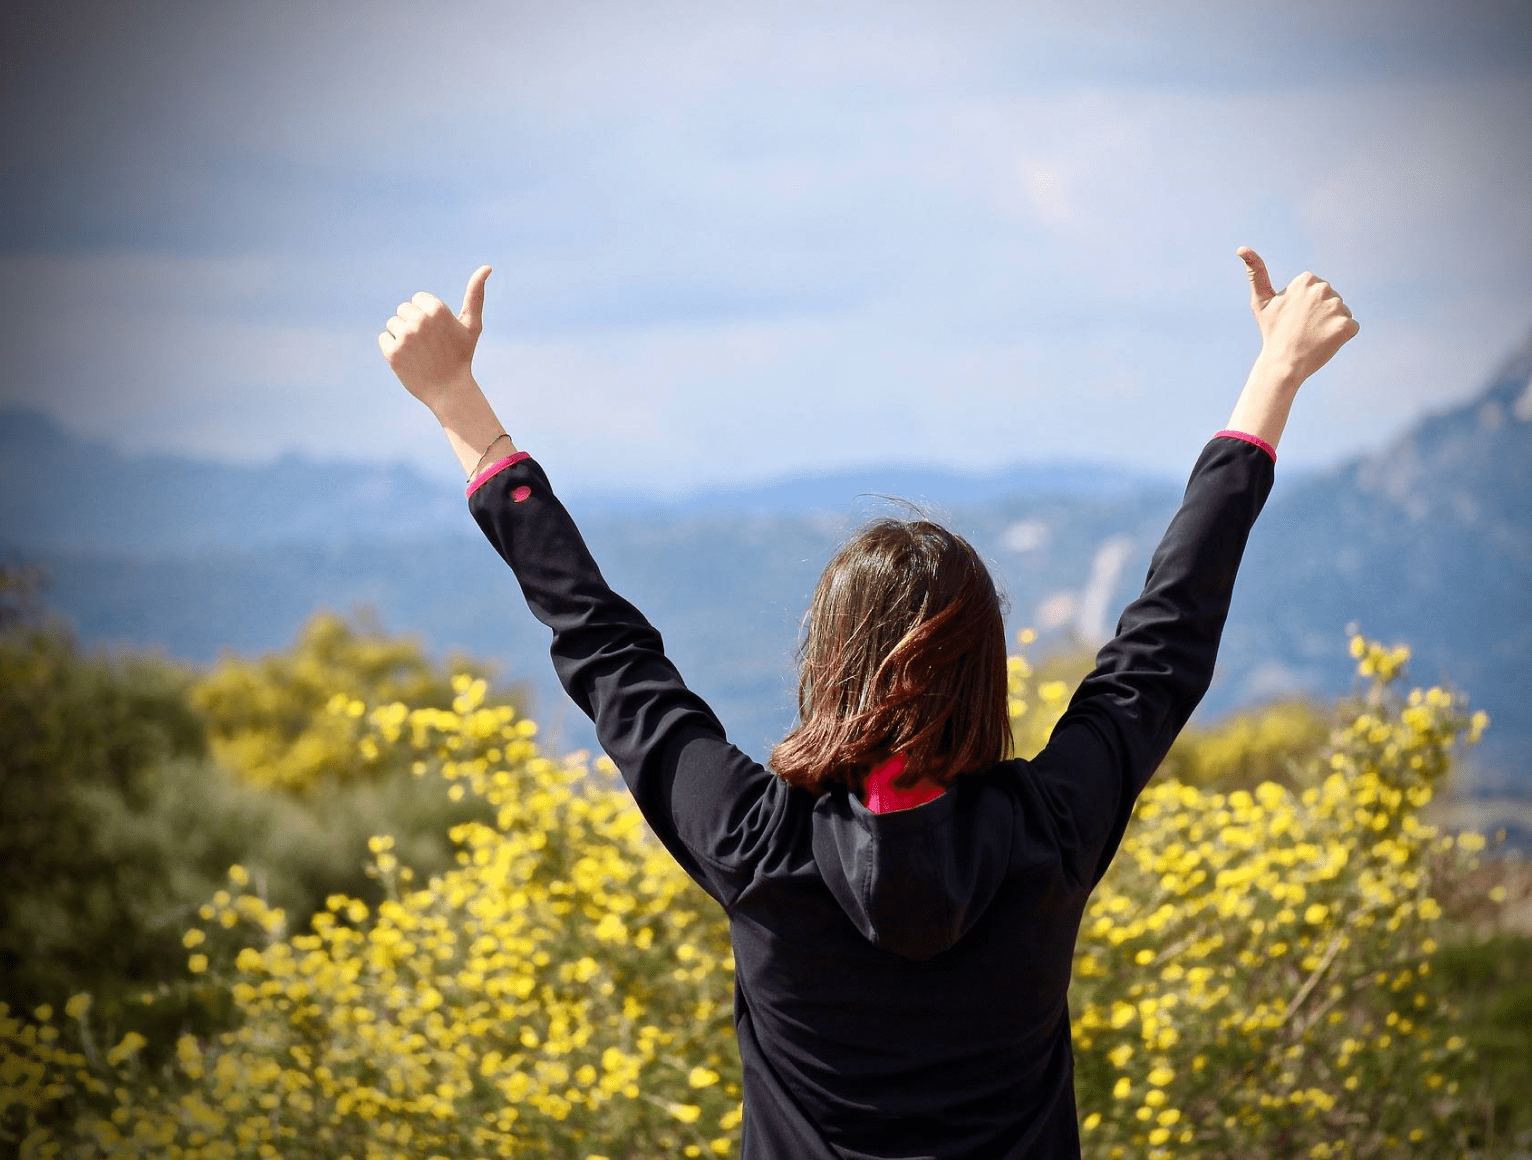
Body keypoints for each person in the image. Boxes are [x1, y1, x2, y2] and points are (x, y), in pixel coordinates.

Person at [379, 249, 1357, 1159]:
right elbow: (1166, 636)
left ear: (827, 660)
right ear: (985, 669)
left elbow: (601, 644)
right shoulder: (1046, 831)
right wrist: (1272, 377)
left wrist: (457, 402)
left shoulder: (752, 838)